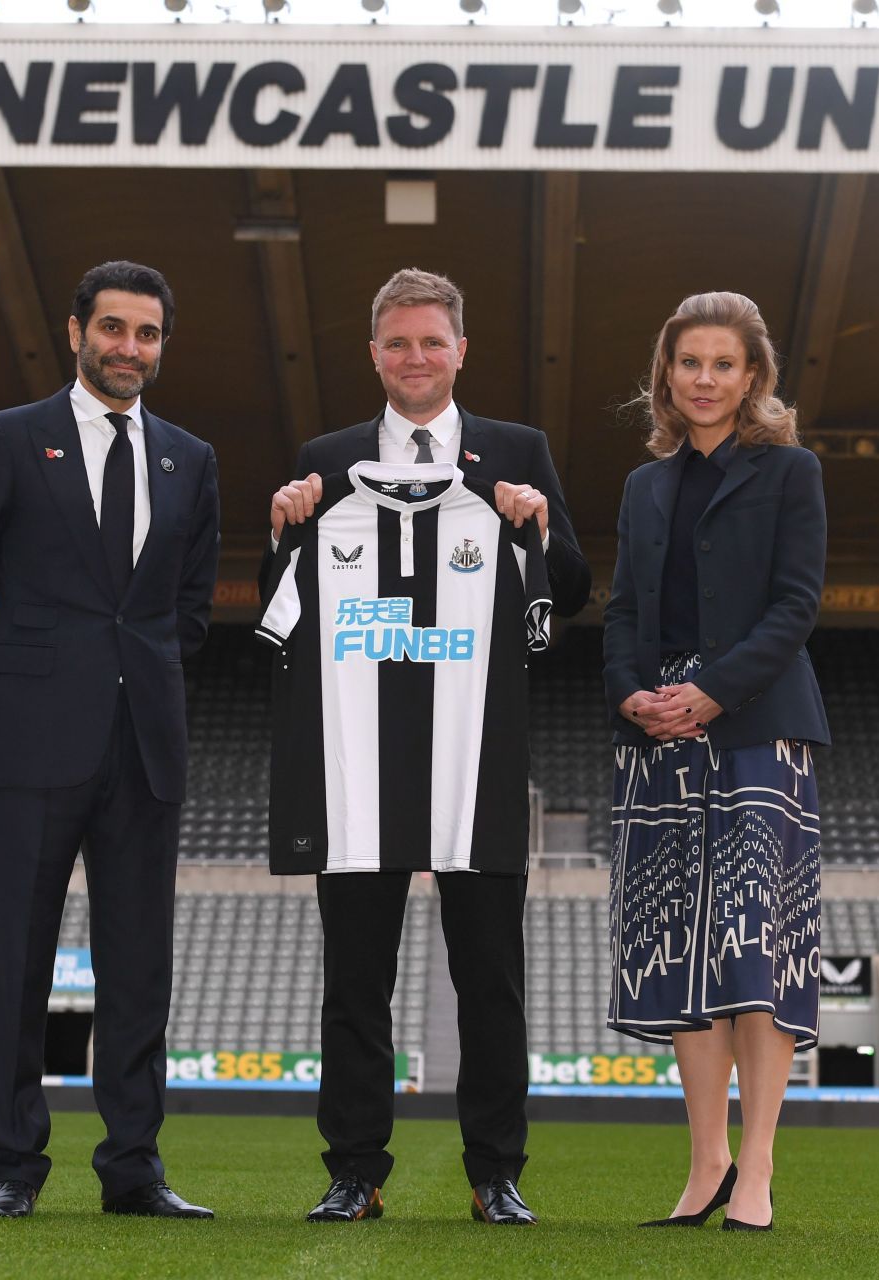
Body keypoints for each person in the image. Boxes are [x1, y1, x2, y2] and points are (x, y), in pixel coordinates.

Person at [264, 267, 591, 1226]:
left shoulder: (514, 451)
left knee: (489, 979)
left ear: (460, 350)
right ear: (374, 354)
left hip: (474, 758)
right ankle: (353, 1171)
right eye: (397, 343)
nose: (415, 358)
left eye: (431, 341)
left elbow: (568, 591)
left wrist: (534, 522)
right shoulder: (327, 458)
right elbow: (278, 592)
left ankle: (497, 1173)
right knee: (355, 982)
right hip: (356, 759)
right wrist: (283, 523)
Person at [0, 260, 221, 1221]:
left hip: (146, 747)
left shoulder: (190, 457)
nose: (129, 348)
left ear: (163, 344)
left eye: (147, 333)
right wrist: (18, 685)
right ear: (75, 333)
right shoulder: (9, 439)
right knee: (16, 959)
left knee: (139, 971)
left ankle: (133, 1170)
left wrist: (138, 680)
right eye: (113, 328)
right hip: (29, 744)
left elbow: (187, 609)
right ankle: (13, 1166)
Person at [601, 291, 829, 1232]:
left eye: (723, 364)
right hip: (656, 736)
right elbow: (619, 612)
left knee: (753, 953)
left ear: (753, 377)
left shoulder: (790, 472)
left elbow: (795, 603)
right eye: (689, 362)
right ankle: (706, 1168)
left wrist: (713, 692)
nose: (704, 379)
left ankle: (761, 1170)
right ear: (666, 372)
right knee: (679, 956)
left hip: (755, 724)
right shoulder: (643, 487)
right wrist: (631, 693)